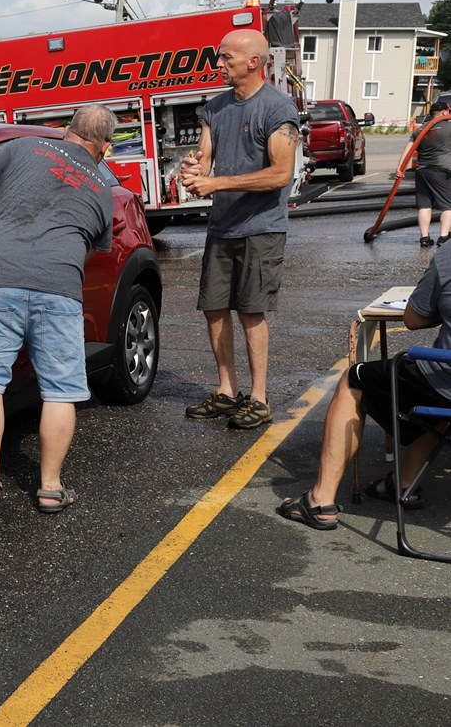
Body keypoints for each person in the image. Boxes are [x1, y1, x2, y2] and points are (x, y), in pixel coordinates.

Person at [0, 104, 116, 516]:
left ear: (65, 129)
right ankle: (50, 488)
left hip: (0, 280)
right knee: (60, 389)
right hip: (59, 289)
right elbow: (89, 249)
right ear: (104, 148)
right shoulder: (103, 189)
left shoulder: (23, 147)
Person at [180, 29, 302, 431]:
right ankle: (227, 391)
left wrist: (216, 184)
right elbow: (205, 160)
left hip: (260, 229)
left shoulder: (277, 108)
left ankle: (260, 398)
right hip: (222, 226)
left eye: (225, 57)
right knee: (214, 309)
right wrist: (194, 171)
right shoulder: (214, 108)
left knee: (251, 312)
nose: (219, 64)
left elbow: (280, 174)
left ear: (254, 61)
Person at [278, 246, 451, 529]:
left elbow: (413, 318)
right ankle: (405, 482)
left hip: (445, 383)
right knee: (438, 393)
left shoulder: (448, 256)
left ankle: (320, 500)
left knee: (353, 379)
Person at [412, 100, 451, 247]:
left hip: (421, 171)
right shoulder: (449, 127)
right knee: (448, 205)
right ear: (443, 113)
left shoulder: (420, 130)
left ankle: (424, 238)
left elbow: (408, 149)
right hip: (441, 171)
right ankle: (443, 237)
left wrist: (399, 169)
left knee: (424, 205)